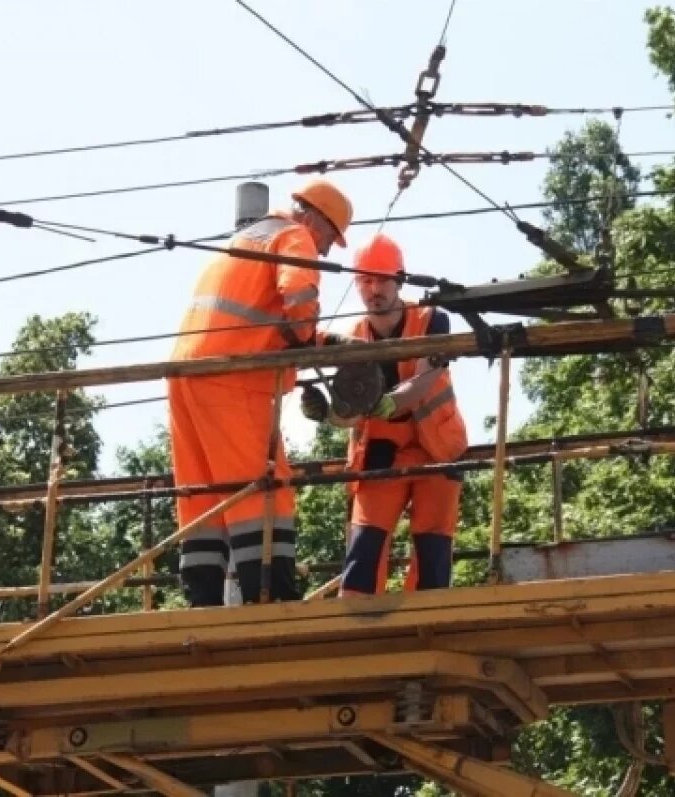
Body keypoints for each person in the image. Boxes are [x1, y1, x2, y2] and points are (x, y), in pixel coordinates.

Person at [168, 178, 354, 607]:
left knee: (204, 493)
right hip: (233, 378)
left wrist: (323, 342)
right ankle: (271, 594)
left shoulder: (247, 239)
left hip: (184, 372)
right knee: (264, 486)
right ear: (314, 219)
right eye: (329, 238)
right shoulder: (295, 236)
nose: (325, 250)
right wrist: (308, 331)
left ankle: (203, 602)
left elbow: (261, 322)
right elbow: (299, 294)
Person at [301, 234, 467, 596]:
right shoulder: (354, 338)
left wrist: (392, 403)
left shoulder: (433, 320)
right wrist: (328, 415)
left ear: (400, 280)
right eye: (365, 281)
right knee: (364, 548)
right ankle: (358, 628)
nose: (374, 290)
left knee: (433, 549)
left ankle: (429, 623)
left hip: (436, 449)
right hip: (380, 454)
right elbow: (352, 412)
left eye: (381, 280)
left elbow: (428, 375)